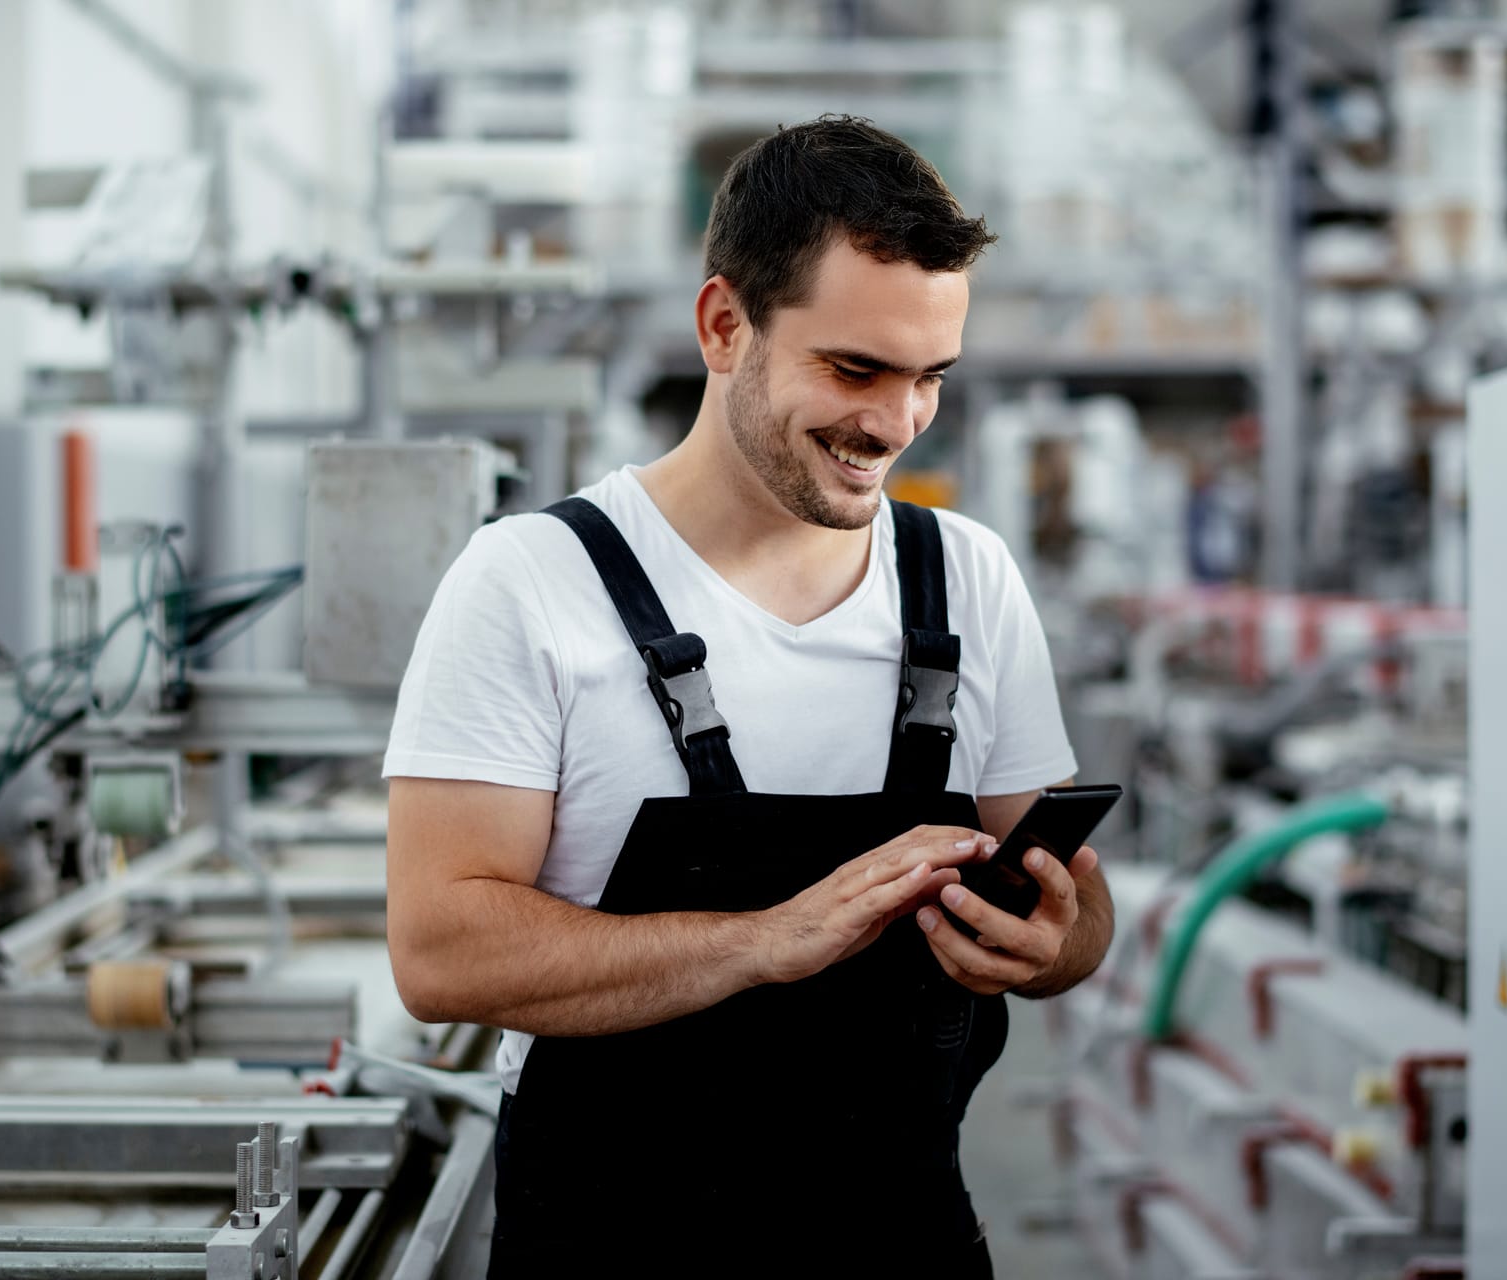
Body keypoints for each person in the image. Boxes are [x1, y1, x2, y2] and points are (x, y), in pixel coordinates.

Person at [384, 115, 1113, 1277]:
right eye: (854, 367)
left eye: (930, 377)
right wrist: (768, 941)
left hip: (903, 1237)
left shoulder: (968, 578)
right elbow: (440, 952)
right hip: (614, 1245)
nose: (895, 422)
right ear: (726, 325)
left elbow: (1076, 909)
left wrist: (1056, 937)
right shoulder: (531, 582)